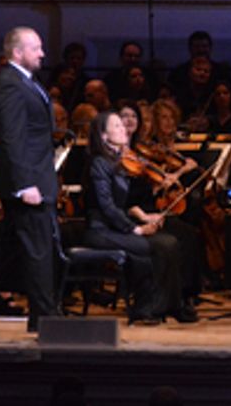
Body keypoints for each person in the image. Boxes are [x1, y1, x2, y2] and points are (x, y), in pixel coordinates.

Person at [81, 111, 195, 324]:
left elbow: (123, 205)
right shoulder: (99, 163)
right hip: (100, 230)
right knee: (152, 247)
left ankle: (169, 305)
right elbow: (106, 206)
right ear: (103, 136)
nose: (123, 128)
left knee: (169, 242)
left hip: (116, 227)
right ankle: (146, 308)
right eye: (116, 126)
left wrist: (145, 216)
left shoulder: (120, 162)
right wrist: (136, 229)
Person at [0, 26, 63, 331]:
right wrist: (24, 184)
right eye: (36, 48)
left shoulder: (26, 82)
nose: (42, 53)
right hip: (28, 183)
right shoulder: (10, 83)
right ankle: (45, 319)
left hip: (38, 178)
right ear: (17, 52)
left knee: (33, 250)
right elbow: (11, 137)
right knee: (37, 251)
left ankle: (42, 317)